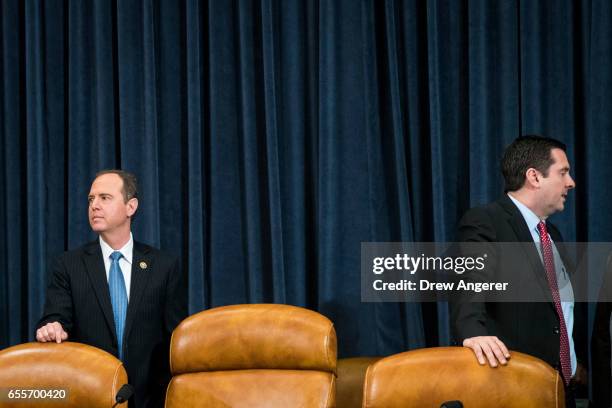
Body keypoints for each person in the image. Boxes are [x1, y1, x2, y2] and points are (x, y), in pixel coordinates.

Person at [450, 136, 586, 407]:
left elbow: (557, 311)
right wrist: (471, 330)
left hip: (562, 389)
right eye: (563, 172)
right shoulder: (487, 221)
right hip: (513, 387)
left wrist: (573, 361)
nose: (571, 182)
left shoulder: (553, 235)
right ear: (534, 177)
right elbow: (470, 278)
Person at [35, 170, 187, 408]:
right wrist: (52, 328)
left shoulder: (164, 266)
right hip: (88, 396)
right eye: (91, 199)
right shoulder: (68, 265)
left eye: (104, 198)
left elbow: (175, 341)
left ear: (131, 206)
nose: (94, 205)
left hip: (149, 400)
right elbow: (56, 319)